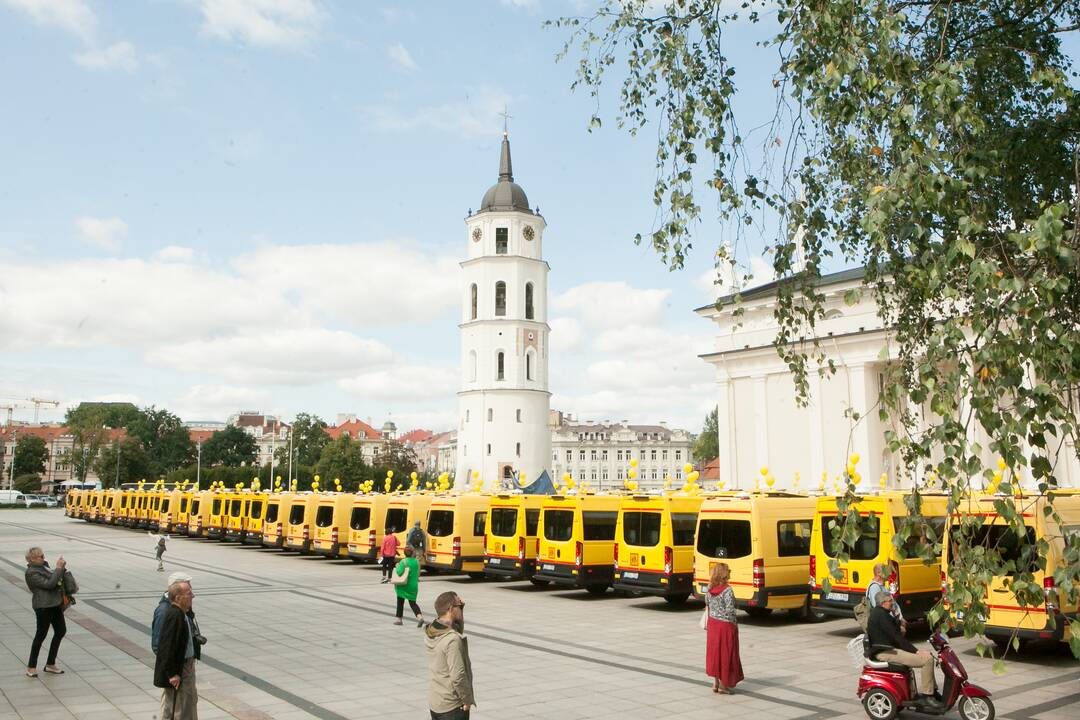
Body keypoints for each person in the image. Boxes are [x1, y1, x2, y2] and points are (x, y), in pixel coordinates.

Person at [867, 591, 936, 700]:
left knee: (929, 656)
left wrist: (900, 624)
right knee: (927, 660)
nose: (892, 603)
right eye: (890, 601)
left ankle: (933, 691)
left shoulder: (880, 613)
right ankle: (929, 696)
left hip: (887, 648)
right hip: (885, 652)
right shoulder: (881, 615)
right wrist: (917, 651)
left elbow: (893, 626)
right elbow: (898, 638)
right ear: (882, 603)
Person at [24, 547, 76, 678]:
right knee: (41, 635)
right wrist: (58, 568)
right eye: (40, 556)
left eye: (43, 555)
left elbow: (56, 579)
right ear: (32, 559)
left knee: (60, 631)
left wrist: (61, 570)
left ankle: (50, 664)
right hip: (43, 607)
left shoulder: (43, 567)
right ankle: (31, 666)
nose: (43, 557)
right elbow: (49, 584)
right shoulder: (31, 573)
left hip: (55, 604)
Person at [425, 591, 475, 719]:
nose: (461, 606)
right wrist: (467, 700)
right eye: (460, 605)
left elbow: (456, 629)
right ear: (451, 608)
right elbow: (458, 675)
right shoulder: (452, 639)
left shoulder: (433, 629)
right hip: (452, 706)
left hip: (436, 701)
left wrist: (461, 610)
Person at [155, 580, 199, 720]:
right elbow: (166, 647)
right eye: (189, 593)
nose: (193, 596)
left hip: (185, 667)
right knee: (179, 710)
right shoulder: (174, 616)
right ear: (178, 598)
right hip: (179, 671)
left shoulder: (181, 614)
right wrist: (172, 674)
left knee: (187, 706)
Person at [704, 562, 744, 694]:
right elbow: (730, 610)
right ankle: (723, 685)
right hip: (725, 625)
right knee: (726, 654)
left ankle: (715, 683)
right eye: (728, 571)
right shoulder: (727, 590)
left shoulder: (709, 588)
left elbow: (707, 603)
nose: (730, 574)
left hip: (713, 624)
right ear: (724, 574)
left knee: (715, 653)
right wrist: (734, 624)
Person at [152, 572, 204, 658]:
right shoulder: (164, 611)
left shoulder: (183, 605)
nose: (192, 593)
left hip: (186, 660)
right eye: (188, 585)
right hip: (179, 664)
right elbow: (158, 645)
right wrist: (174, 667)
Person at [867, 563, 906, 633]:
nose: (889, 573)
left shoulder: (882, 586)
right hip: (885, 623)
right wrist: (894, 623)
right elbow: (879, 609)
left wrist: (900, 618)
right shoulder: (874, 588)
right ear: (879, 573)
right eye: (887, 571)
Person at [393, 546, 424, 627]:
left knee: (400, 601)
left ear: (404, 553)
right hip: (413, 585)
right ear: (412, 552)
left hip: (403, 585)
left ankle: (399, 619)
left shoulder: (403, 562)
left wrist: (397, 565)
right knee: (413, 603)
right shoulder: (417, 561)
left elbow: (399, 572)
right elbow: (418, 574)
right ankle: (419, 617)